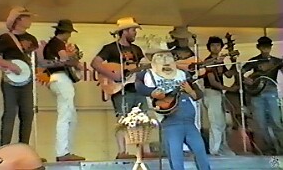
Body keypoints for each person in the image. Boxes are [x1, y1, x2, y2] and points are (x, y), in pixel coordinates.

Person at [135, 40, 210, 170]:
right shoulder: (147, 74)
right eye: (160, 56)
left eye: (168, 56)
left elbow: (198, 93)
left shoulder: (182, 74)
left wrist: (190, 91)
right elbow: (139, 86)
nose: (165, 60)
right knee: (176, 158)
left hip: (190, 122)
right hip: (170, 122)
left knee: (200, 152)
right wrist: (152, 93)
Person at [91, 17, 157, 159]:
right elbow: (95, 63)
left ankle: (145, 151)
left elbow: (142, 66)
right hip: (120, 89)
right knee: (122, 119)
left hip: (137, 88)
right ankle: (122, 151)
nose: (135, 33)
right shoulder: (110, 48)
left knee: (144, 117)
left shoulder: (136, 49)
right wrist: (113, 76)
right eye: (133, 30)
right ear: (124, 31)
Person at [0, 7, 38, 146]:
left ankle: (24, 148)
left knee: (27, 113)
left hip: (27, 81)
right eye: (27, 17)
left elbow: (36, 60)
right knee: (10, 114)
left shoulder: (32, 39)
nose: (30, 20)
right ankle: (5, 149)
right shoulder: (6, 38)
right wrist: (8, 64)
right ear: (18, 20)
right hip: (10, 82)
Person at [43, 19, 85, 161]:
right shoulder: (58, 43)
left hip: (56, 79)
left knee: (70, 115)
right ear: (66, 32)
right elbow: (65, 59)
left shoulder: (51, 44)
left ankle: (67, 150)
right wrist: (76, 62)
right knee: (65, 115)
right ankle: (62, 152)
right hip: (60, 78)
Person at [242, 36, 283, 155]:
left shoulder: (276, 61)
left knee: (276, 121)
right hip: (256, 93)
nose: (266, 49)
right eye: (263, 46)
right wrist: (245, 79)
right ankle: (268, 149)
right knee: (260, 123)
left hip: (271, 91)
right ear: (258, 47)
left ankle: (281, 148)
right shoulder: (254, 60)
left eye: (268, 46)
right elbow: (241, 71)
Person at [202, 36, 238, 156]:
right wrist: (229, 89)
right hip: (211, 93)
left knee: (222, 122)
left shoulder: (220, 61)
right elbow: (213, 82)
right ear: (209, 48)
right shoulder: (208, 62)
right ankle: (215, 149)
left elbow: (228, 74)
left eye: (218, 45)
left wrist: (234, 61)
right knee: (216, 123)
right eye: (213, 45)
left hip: (218, 94)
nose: (215, 47)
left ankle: (221, 147)